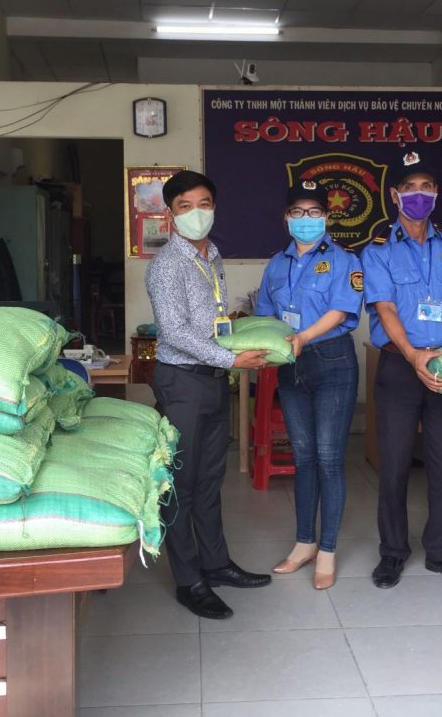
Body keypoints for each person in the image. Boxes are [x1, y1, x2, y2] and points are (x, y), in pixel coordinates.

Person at [145, 170, 272, 620]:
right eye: (185, 206)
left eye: (203, 204)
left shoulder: (213, 256)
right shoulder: (167, 265)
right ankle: (189, 580)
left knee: (209, 479)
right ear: (170, 214)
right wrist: (232, 359)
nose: (196, 213)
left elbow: (211, 322)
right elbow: (175, 332)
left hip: (213, 378)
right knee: (180, 484)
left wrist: (235, 347)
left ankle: (216, 563)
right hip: (183, 382)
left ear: (214, 207)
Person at [360, 152, 442, 590]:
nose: (418, 195)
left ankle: (441, 550)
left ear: (436, 193)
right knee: (394, 463)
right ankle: (392, 552)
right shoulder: (378, 250)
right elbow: (385, 309)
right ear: (394, 195)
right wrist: (413, 355)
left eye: (426, 187)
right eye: (409, 188)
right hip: (400, 365)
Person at [254, 179, 363, 590]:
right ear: (286, 217)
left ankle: (328, 550)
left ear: (327, 217)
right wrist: (264, 345)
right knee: (303, 458)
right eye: (298, 212)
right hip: (290, 365)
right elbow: (265, 315)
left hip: (332, 361)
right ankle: (304, 544)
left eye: (314, 212)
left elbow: (341, 310)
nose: (306, 219)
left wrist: (302, 337)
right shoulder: (275, 264)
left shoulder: (344, 260)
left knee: (329, 458)